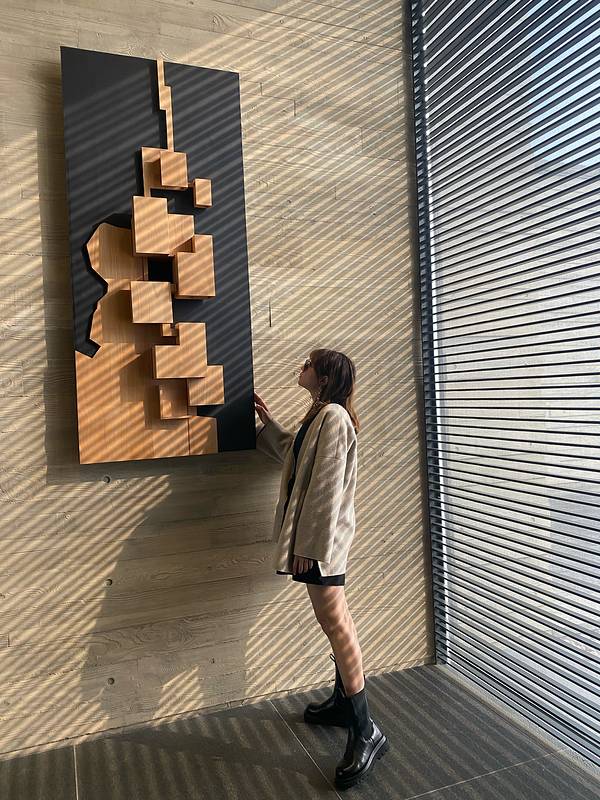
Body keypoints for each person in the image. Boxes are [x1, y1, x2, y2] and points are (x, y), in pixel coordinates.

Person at [254, 348, 389, 790]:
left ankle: (365, 730)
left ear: (325, 378)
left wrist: (310, 548)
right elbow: (295, 459)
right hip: (322, 541)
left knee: (336, 624)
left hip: (324, 543)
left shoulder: (333, 417)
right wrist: (268, 422)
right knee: (336, 621)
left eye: (309, 364)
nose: (302, 368)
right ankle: (341, 702)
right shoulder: (322, 415)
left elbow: (326, 488)